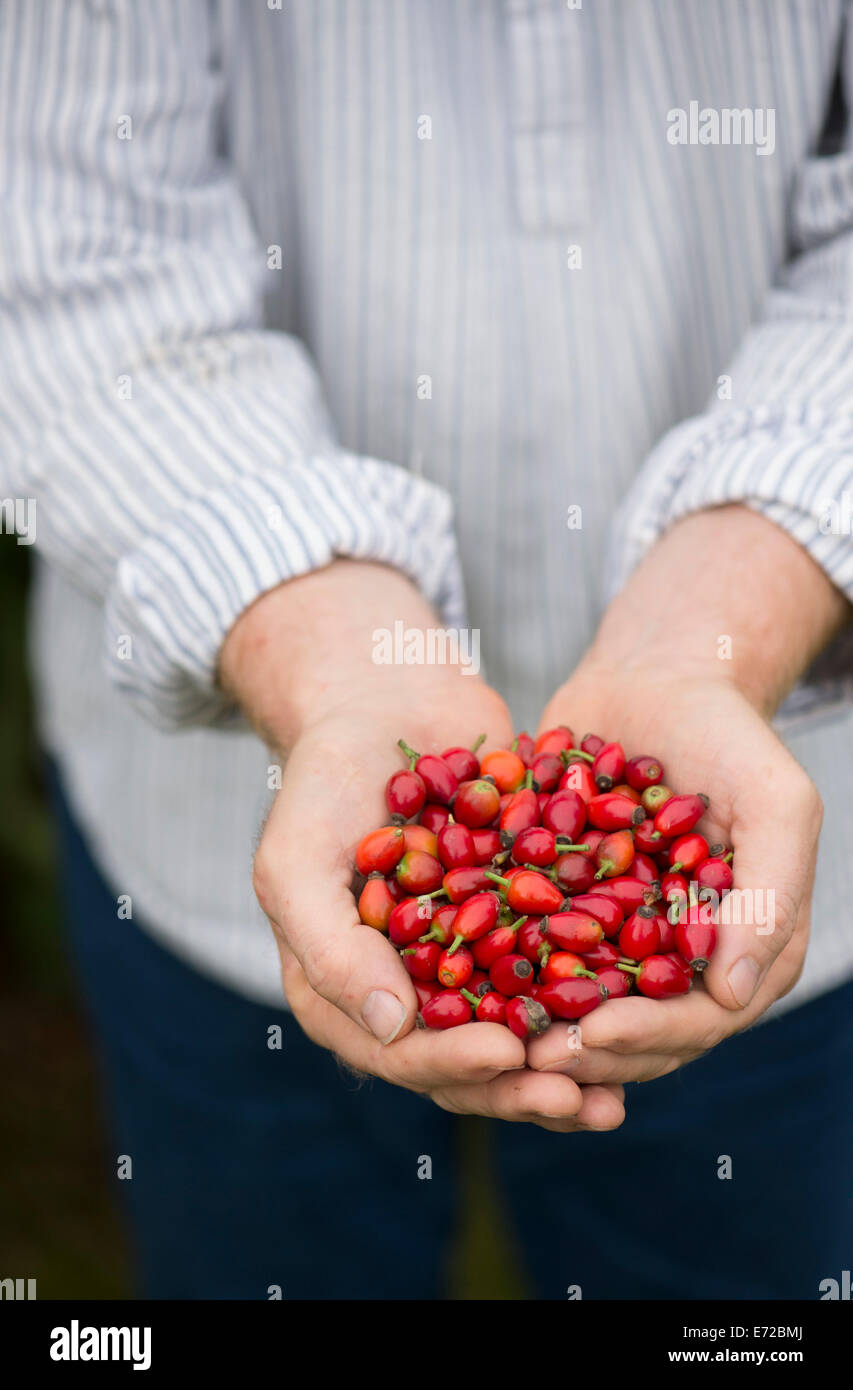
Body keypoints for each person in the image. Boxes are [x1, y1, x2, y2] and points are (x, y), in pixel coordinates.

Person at [4, 0, 852, 1299]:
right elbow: (51, 239)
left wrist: (731, 611)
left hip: (793, 856)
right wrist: (322, 651)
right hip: (214, 849)